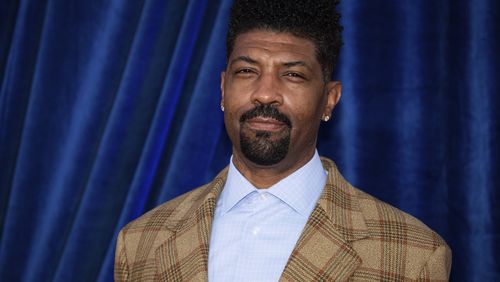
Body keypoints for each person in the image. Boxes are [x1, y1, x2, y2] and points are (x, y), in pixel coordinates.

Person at [115, 0, 452, 281]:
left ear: (329, 99)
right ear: (222, 88)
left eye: (292, 75)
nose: (265, 93)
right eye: (247, 71)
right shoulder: (141, 243)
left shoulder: (414, 255)